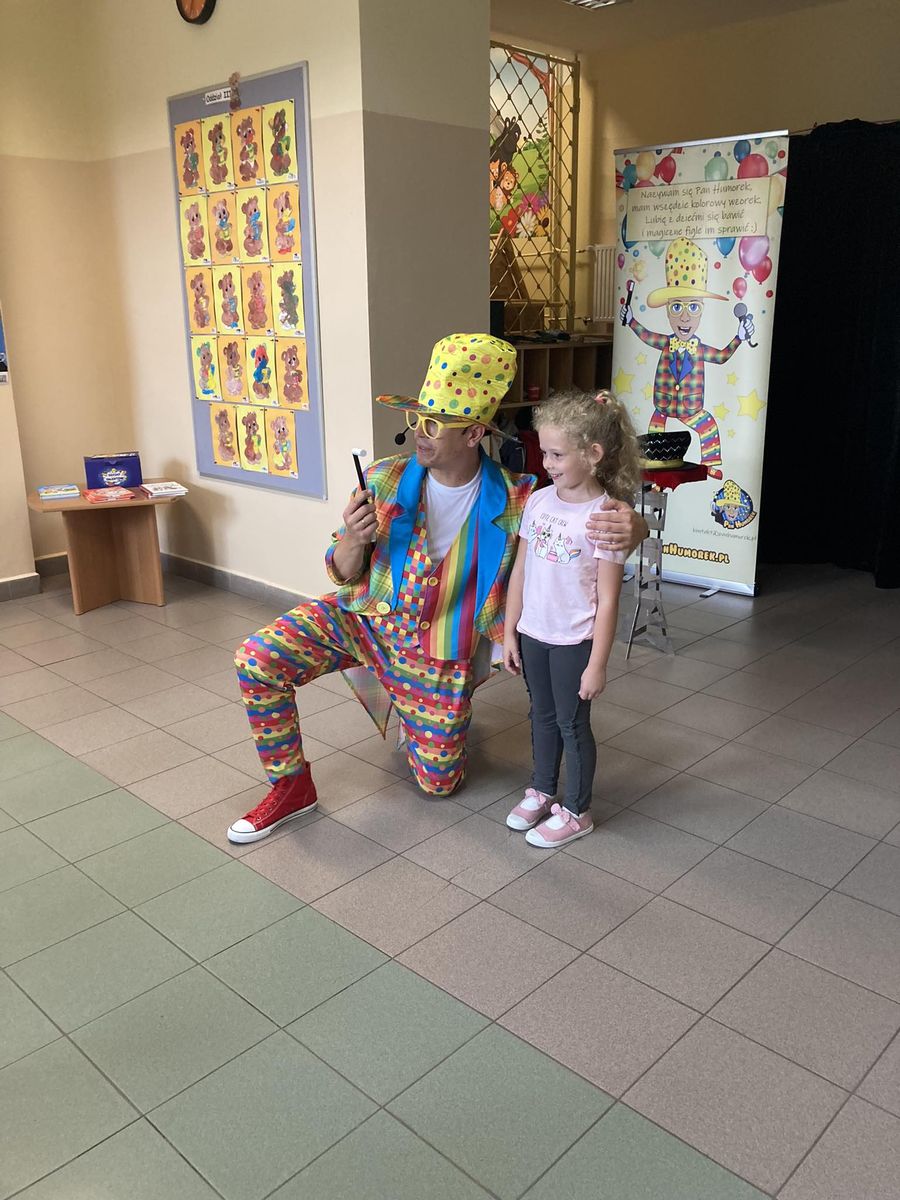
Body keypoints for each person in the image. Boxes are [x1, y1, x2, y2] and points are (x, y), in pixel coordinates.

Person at [226, 334, 648, 845]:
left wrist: (635, 525)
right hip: (361, 620)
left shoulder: (519, 497)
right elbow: (339, 571)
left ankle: (412, 705)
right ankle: (291, 787)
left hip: (436, 650)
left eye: (432, 425)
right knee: (257, 658)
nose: (417, 434)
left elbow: (579, 510)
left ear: (473, 434)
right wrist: (354, 540)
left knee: (439, 783)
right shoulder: (383, 478)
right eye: (416, 420)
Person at [503, 389, 640, 847]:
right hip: (533, 633)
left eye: (557, 454)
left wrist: (597, 664)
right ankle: (543, 789)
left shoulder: (606, 518)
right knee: (541, 715)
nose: (548, 463)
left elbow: (609, 599)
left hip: (573, 641)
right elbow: (521, 570)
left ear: (593, 454)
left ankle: (578, 811)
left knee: (571, 724)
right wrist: (510, 632)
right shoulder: (539, 501)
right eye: (545, 452)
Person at [620, 236, 754, 480]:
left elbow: (722, 357)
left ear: (702, 311)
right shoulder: (666, 342)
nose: (684, 318)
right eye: (676, 307)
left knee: (708, 426)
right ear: (667, 310)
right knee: (654, 432)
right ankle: (650, 464)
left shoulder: (699, 349)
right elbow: (646, 336)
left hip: (690, 408)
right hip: (663, 405)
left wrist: (739, 337)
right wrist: (630, 320)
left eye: (693, 307)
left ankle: (709, 464)